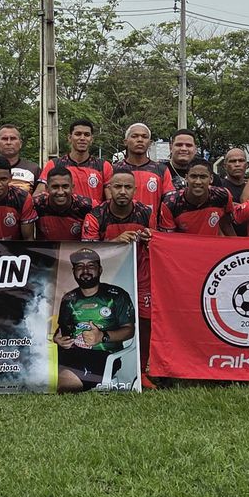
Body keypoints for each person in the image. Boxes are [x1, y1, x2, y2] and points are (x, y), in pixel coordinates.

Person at [83, 169, 154, 381]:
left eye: (128, 187)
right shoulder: (96, 215)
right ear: (109, 188)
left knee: (145, 322)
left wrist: (150, 240)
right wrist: (115, 242)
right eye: (117, 187)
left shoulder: (146, 213)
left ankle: (141, 372)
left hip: (140, 275)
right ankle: (99, 371)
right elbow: (86, 253)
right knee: (104, 322)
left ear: (135, 190)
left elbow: (157, 243)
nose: (122, 191)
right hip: (108, 277)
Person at [52, 249, 136, 392]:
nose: (85, 270)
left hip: (102, 356)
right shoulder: (68, 298)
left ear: (100, 269)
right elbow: (62, 329)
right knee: (37, 369)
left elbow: (129, 330)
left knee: (67, 384)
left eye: (91, 266)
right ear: (74, 271)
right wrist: (58, 339)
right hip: (69, 354)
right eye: (79, 266)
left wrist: (103, 337)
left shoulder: (116, 295)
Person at [40, 119, 113, 203]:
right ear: (70, 138)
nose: (82, 138)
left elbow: (111, 201)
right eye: (78, 134)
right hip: (63, 215)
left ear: (91, 139)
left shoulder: (103, 166)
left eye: (86, 135)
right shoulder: (54, 164)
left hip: (93, 215)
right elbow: (39, 195)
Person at [157, 160, 236, 235]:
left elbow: (226, 224)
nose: (198, 182)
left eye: (203, 177)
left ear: (211, 179)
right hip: (184, 247)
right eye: (193, 176)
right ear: (186, 178)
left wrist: (237, 246)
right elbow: (168, 238)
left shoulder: (222, 196)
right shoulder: (171, 203)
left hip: (212, 247)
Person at [112, 123, 171, 216]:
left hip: (151, 228)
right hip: (121, 227)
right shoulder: (114, 170)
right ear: (125, 142)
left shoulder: (161, 170)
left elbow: (168, 203)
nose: (140, 140)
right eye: (134, 136)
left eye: (144, 137)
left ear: (150, 142)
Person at [31, 168, 93, 242]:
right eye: (55, 187)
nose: (60, 192)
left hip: (76, 251)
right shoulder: (36, 204)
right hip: (45, 251)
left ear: (72, 188)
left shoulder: (87, 206)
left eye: (65, 186)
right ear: (47, 188)